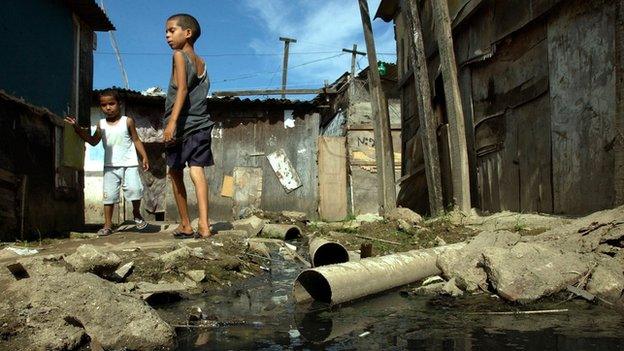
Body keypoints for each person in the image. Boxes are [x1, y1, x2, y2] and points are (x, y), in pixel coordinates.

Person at [64, 89, 150, 236]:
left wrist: (144, 156)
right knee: (109, 196)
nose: (108, 107)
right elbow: (93, 141)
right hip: (110, 166)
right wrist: (77, 128)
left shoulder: (127, 121)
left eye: (112, 103)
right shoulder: (101, 124)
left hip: (129, 164)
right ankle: (108, 225)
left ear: (119, 104)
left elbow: (136, 139)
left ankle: (136, 213)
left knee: (135, 190)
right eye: (104, 105)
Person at [164, 13, 214, 239]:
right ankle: (204, 225)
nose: (167, 36)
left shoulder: (178, 56)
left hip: (183, 127)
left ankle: (186, 224)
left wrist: (172, 123)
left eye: (171, 30)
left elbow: (182, 89)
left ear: (188, 33)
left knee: (175, 173)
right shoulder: (202, 64)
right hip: (202, 124)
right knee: (197, 171)